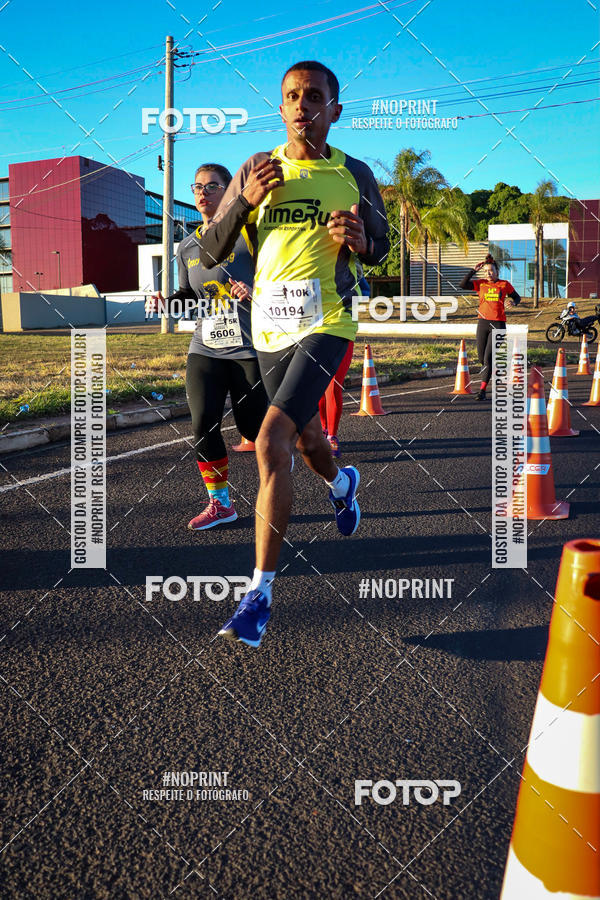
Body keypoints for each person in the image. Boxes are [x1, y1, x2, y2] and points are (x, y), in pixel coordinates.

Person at [197, 60, 390, 647]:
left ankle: (258, 595)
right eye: (291, 96)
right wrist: (241, 201)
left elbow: (380, 248)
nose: (302, 105)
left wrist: (363, 240)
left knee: (272, 438)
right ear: (280, 109)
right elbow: (209, 251)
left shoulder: (354, 172)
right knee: (308, 440)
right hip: (268, 330)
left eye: (314, 96)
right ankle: (342, 485)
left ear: (334, 109)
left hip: (328, 321)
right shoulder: (256, 170)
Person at [145, 163, 268, 530]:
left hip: (251, 349)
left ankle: (277, 486)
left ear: (230, 191)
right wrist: (168, 303)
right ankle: (221, 503)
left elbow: (280, 283)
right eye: (197, 186)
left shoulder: (252, 234)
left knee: (254, 427)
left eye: (212, 186)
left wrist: (255, 292)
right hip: (207, 347)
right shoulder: (188, 247)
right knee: (202, 424)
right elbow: (189, 297)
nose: (202, 193)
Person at [318, 262, 369, 457]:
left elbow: (365, 291)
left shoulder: (352, 269)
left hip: (343, 333)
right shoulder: (315, 266)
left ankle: (332, 436)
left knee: (333, 385)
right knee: (318, 388)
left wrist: (349, 299)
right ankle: (323, 430)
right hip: (317, 332)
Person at [460, 255, 521, 400]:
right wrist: (473, 271)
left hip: (498, 324)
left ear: (497, 271)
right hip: (482, 323)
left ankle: (482, 391)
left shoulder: (504, 284)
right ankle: (493, 371)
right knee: (482, 358)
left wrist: (513, 303)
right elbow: (462, 284)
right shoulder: (480, 284)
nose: (489, 273)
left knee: (487, 358)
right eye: (486, 271)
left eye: (491, 270)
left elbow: (517, 297)